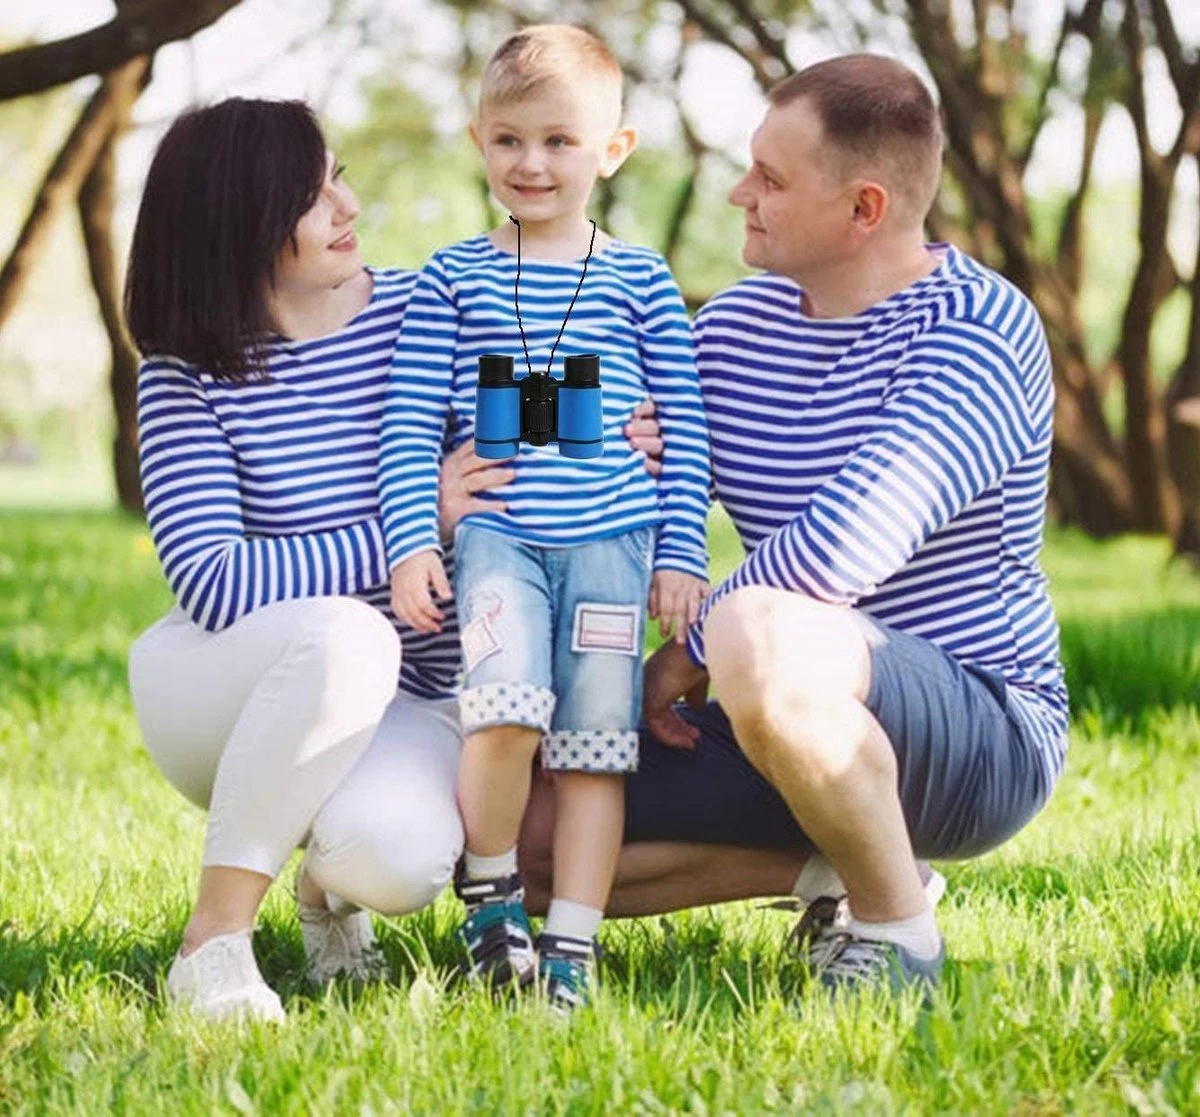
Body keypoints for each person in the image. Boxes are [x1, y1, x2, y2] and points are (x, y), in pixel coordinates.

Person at [523, 52, 1068, 995]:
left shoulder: (979, 330)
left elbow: (842, 550)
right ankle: (847, 868)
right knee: (529, 823)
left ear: (864, 209)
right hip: (771, 710)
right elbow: (624, 455)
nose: (741, 194)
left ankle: (898, 939)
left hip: (980, 726)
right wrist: (486, 461)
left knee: (759, 625)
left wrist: (674, 661)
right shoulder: (736, 327)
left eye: (771, 180)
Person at [124, 97, 664, 1022]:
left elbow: (536, 425)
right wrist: (420, 524)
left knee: (402, 860)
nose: (348, 206)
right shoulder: (186, 373)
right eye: (312, 195)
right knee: (349, 635)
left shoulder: (430, 306)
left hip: (411, 696)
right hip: (229, 688)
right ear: (239, 219)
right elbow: (214, 582)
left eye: (338, 178)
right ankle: (212, 944)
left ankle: (323, 891)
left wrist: (617, 437)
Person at [379, 25, 710, 1009]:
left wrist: (681, 551)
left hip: (612, 549)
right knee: (506, 710)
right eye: (510, 139)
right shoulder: (451, 277)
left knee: (595, 749)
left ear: (613, 150)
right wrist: (411, 539)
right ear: (478, 141)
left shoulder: (642, 280)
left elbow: (686, 423)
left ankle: (572, 944)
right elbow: (409, 424)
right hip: (499, 544)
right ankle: (491, 892)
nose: (532, 163)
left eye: (560, 141)